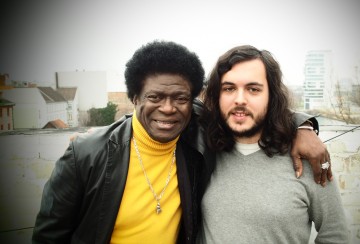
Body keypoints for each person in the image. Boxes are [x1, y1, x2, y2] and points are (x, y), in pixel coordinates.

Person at [32, 40, 331, 244]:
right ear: (135, 98)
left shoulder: (196, 138)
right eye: (155, 97)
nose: (168, 108)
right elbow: (48, 237)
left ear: (192, 102)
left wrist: (302, 125)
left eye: (180, 98)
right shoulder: (86, 154)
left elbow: (247, 110)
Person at [198, 45, 349, 243]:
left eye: (253, 89)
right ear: (217, 95)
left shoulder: (307, 159)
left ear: (271, 96)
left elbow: (335, 234)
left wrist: (303, 125)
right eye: (229, 88)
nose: (239, 99)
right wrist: (304, 124)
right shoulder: (205, 150)